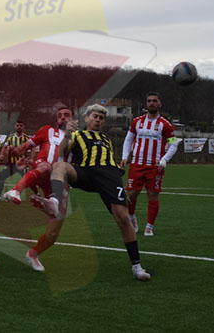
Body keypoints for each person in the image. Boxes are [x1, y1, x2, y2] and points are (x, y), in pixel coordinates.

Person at [32, 104, 152, 281]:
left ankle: (137, 267)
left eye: (101, 118)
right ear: (87, 118)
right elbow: (62, 152)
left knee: (123, 219)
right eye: (95, 116)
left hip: (109, 175)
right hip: (87, 172)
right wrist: (67, 134)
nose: (98, 120)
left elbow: (109, 160)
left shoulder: (106, 138)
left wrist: (119, 185)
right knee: (60, 166)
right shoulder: (78, 135)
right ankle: (54, 202)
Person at [2, 109, 77, 272]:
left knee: (53, 232)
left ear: (74, 118)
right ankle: (16, 190)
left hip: (60, 182)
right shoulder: (47, 130)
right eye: (59, 115)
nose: (62, 117)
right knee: (45, 167)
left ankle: (33, 254)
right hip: (43, 167)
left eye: (66, 115)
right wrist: (13, 151)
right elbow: (24, 147)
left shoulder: (79, 137)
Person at [120, 91, 178, 237]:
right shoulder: (137, 122)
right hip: (137, 164)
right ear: (146, 104)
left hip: (155, 166)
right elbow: (128, 140)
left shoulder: (165, 125)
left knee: (153, 195)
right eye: (149, 101)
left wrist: (164, 159)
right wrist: (125, 157)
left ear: (160, 104)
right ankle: (133, 221)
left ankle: (149, 227)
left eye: (154, 101)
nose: (151, 103)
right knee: (131, 195)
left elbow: (174, 144)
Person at [0, 119, 31, 201]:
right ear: (15, 126)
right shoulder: (10, 137)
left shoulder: (27, 138)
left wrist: (30, 159)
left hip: (22, 164)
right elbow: (4, 147)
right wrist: (1, 154)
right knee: (1, 178)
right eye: (17, 125)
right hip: (11, 163)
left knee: (28, 179)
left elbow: (31, 149)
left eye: (21, 126)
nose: (19, 127)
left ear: (23, 127)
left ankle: (37, 194)